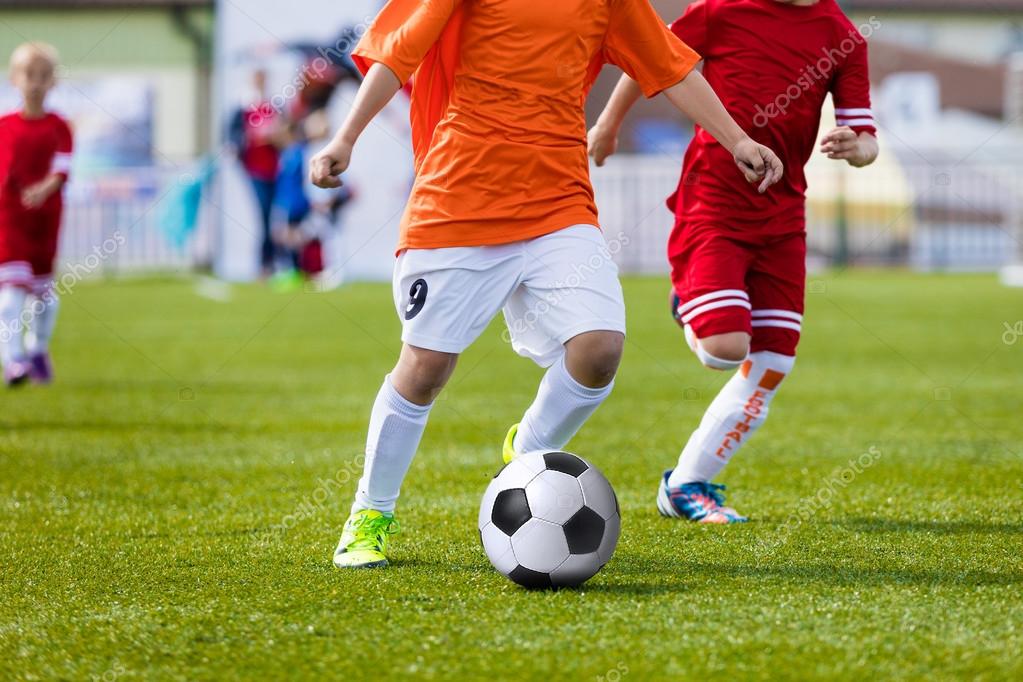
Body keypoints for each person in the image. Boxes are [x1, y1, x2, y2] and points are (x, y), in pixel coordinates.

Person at [310, 0, 783, 568]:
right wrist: (345, 139)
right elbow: (395, 53)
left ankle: (527, 451)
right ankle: (372, 512)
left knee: (599, 349)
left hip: (559, 203)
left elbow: (672, 67)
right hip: (458, 199)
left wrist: (737, 141)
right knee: (426, 366)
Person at [588, 0, 879, 523]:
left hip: (785, 215)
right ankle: (692, 297)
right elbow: (652, 58)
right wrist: (607, 125)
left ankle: (686, 484)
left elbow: (867, 142)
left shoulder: (844, 37)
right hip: (714, 202)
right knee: (724, 350)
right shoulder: (720, 11)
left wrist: (853, 145)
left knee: (773, 364)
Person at [0, 42, 73, 387]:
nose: (35, 82)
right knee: (11, 292)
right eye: (29, 75)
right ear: (15, 78)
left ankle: (38, 348)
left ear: (53, 82)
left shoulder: (60, 127)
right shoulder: (5, 126)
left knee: (44, 295)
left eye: (44, 76)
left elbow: (62, 168)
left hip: (45, 220)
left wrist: (43, 190)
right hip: (10, 218)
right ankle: (13, 360)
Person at [229, 70, 282, 278]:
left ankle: (273, 263)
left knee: (274, 217)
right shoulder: (242, 109)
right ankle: (264, 265)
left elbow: (285, 137)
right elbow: (233, 139)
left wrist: (273, 136)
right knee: (264, 215)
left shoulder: (274, 107)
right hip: (254, 170)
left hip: (275, 170)